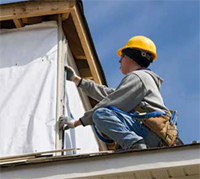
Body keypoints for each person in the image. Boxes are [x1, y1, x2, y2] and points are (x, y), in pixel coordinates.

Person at [60, 36, 176, 151]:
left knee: (100, 114)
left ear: (132, 57)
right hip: (152, 133)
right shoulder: (141, 79)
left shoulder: (138, 77)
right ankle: (135, 146)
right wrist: (77, 80)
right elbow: (109, 95)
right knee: (120, 149)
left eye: (123, 56)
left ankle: (136, 145)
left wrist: (77, 122)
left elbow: (111, 102)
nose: (120, 60)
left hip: (151, 133)